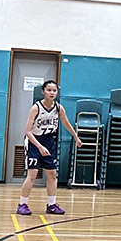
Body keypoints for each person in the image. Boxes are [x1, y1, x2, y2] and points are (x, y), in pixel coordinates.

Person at [17, 79, 77, 216]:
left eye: (54, 90)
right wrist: (39, 147)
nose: (52, 93)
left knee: (52, 174)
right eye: (49, 90)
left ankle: (51, 204)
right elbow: (27, 131)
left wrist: (76, 137)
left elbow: (66, 123)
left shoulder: (59, 108)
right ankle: (22, 204)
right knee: (32, 174)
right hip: (34, 141)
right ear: (43, 91)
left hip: (49, 140)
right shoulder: (36, 108)